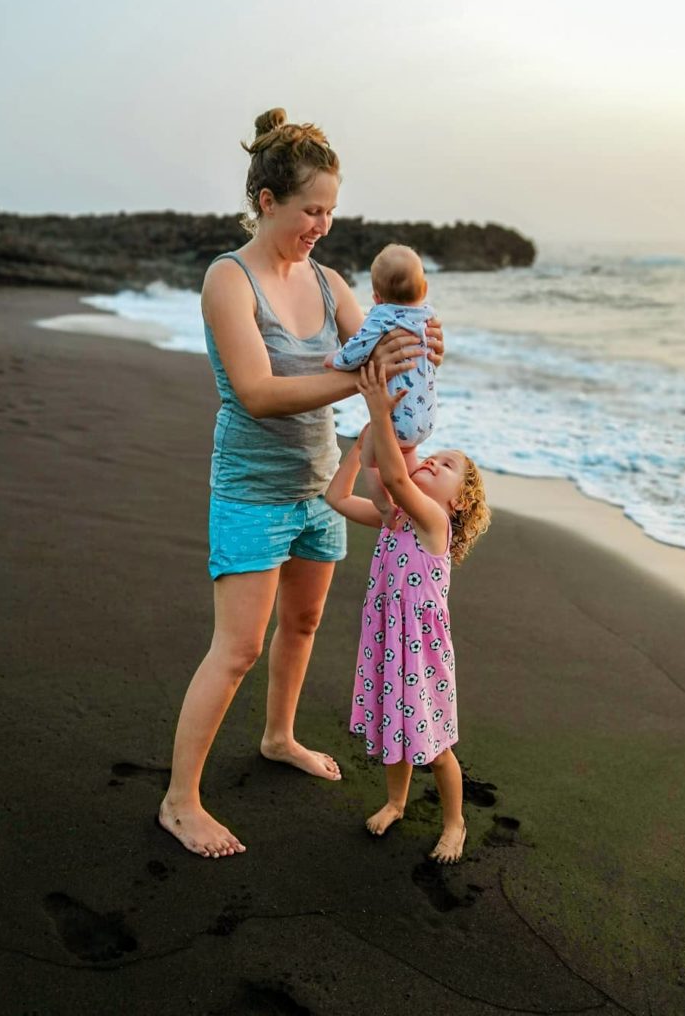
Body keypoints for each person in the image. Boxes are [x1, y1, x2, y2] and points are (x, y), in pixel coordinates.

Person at [159, 108, 445, 858]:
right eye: (310, 209)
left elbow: (383, 339)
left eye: (330, 210)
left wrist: (420, 342)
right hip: (252, 489)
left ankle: (278, 736)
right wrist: (357, 375)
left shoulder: (327, 281)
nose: (322, 224)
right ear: (266, 202)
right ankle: (179, 800)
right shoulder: (228, 280)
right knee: (237, 649)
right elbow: (255, 392)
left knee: (305, 624)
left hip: (317, 486)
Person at [325, 361, 490, 863]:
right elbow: (340, 494)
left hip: (422, 654)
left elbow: (394, 474)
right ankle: (396, 801)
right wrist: (363, 440)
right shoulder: (394, 520)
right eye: (432, 457)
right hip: (386, 641)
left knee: (434, 742)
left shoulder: (431, 521)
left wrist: (377, 407)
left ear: (458, 503)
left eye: (445, 466)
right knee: (394, 729)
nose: (432, 462)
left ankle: (455, 823)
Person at [324, 244, 435, 526]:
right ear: (424, 290)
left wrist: (335, 359)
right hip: (426, 419)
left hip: (395, 419)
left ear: (376, 297)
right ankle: (411, 504)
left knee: (370, 460)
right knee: (405, 452)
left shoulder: (380, 317)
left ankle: (384, 505)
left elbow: (356, 352)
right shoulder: (427, 317)